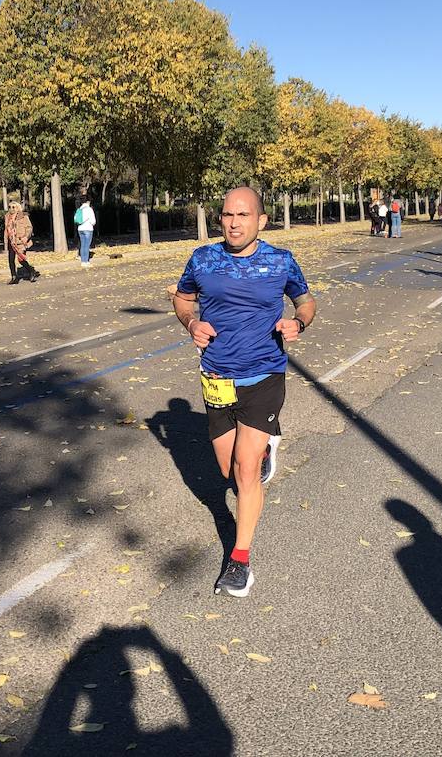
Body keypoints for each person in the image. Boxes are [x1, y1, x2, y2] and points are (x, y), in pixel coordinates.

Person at [171, 187, 316, 599]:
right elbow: (183, 300)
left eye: (243, 215)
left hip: (263, 376)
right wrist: (191, 323)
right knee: (227, 472)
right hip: (216, 377)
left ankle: (240, 560)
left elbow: (306, 302)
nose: (233, 222)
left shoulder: (280, 261)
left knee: (246, 470)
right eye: (227, 215)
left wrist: (298, 323)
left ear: (261, 220)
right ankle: (266, 449)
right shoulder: (202, 259)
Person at [4, 200, 39, 284]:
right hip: (11, 241)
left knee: (21, 259)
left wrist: (26, 237)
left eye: (13, 207)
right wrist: (5, 241)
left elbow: (29, 228)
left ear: (18, 208)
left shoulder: (23, 216)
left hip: (21, 241)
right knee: (11, 260)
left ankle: (31, 271)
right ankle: (14, 277)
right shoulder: (7, 217)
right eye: (10, 207)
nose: (11, 209)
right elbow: (6, 229)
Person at [74, 196, 96, 267]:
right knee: (87, 245)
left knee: (83, 245)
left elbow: (76, 219)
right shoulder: (89, 209)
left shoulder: (80, 209)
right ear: (88, 202)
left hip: (80, 229)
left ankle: (83, 260)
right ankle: (86, 261)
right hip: (88, 229)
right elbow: (93, 221)